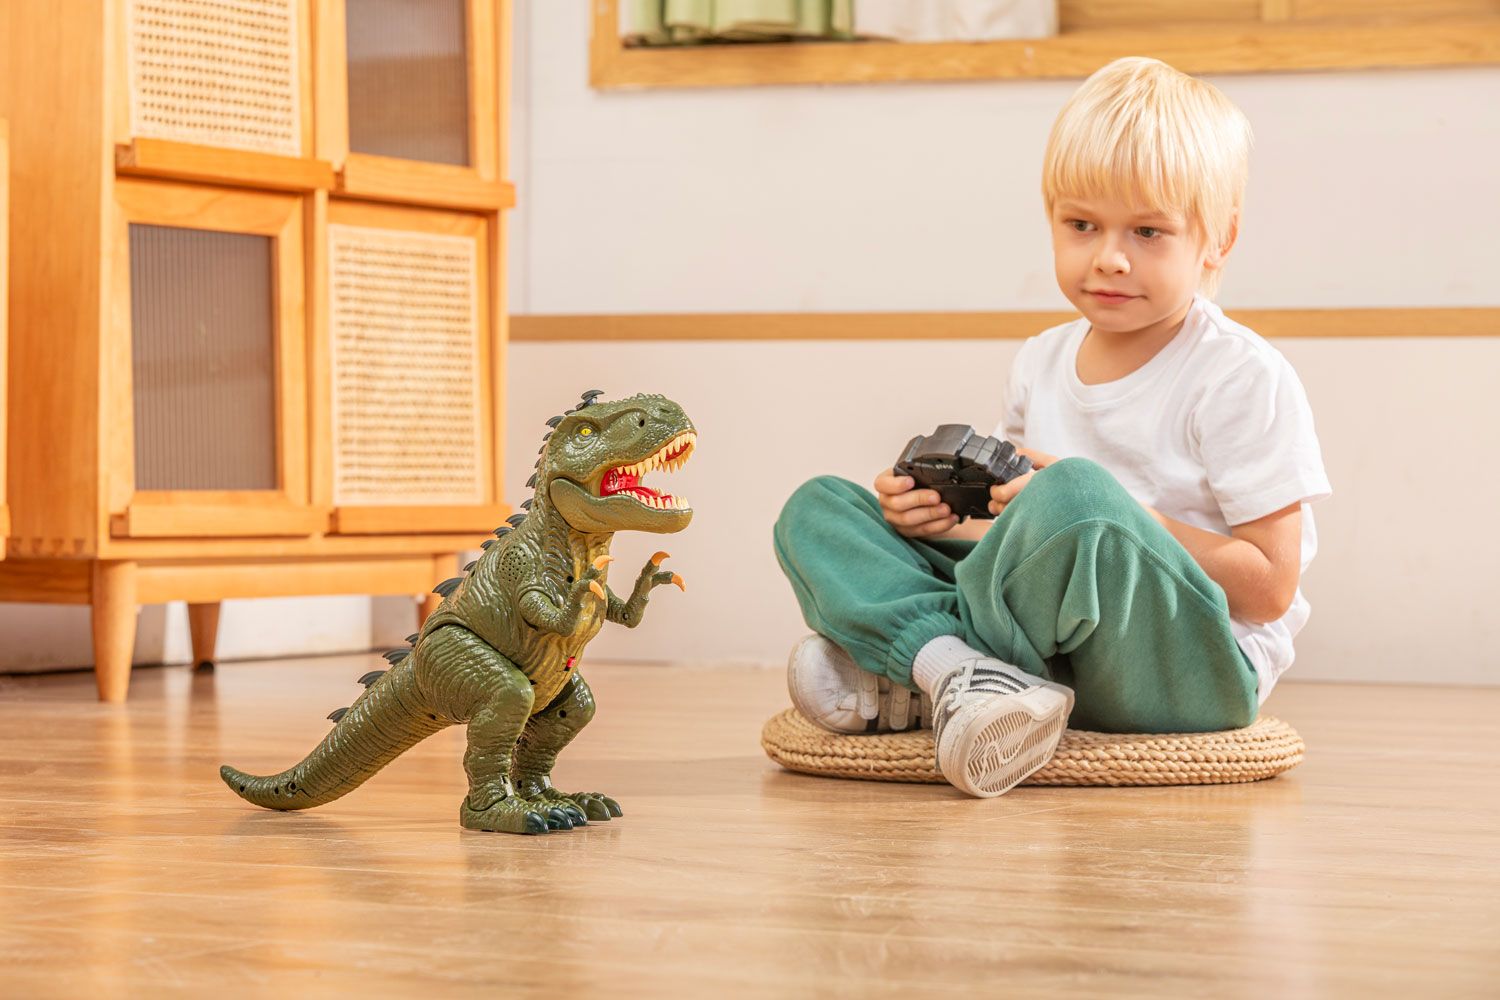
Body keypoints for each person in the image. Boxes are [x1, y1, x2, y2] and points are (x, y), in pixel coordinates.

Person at [773, 56, 1331, 798]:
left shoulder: (1240, 377)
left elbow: (1268, 589)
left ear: (1217, 241)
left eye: (1149, 232)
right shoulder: (1041, 360)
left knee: (1074, 495)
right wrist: (927, 519)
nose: (1109, 257)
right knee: (821, 509)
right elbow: (1009, 555)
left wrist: (1109, 516)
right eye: (1081, 224)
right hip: (1045, 640)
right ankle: (960, 673)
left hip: (1185, 666)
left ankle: (917, 670)